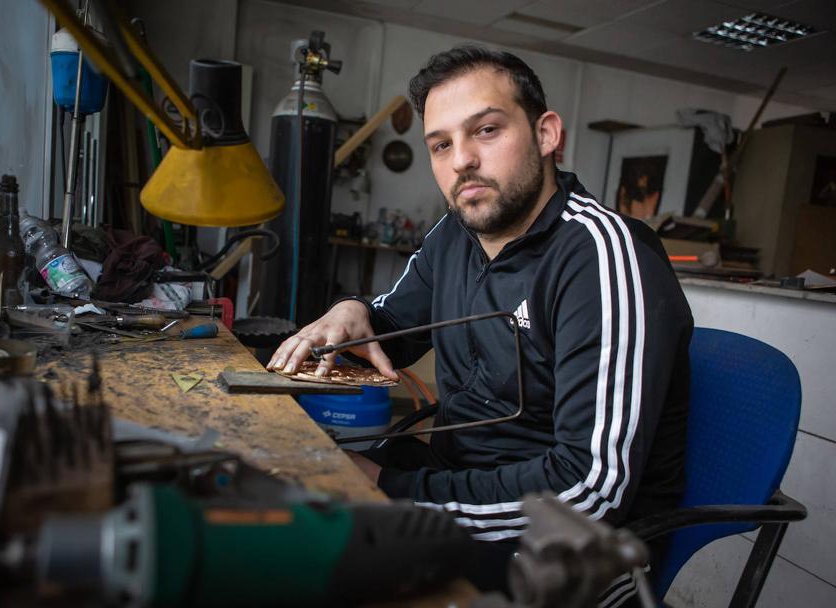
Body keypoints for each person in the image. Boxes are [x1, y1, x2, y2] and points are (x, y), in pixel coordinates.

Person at [268, 46, 692, 604]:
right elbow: (393, 320)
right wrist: (355, 310)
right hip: (457, 481)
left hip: (566, 548)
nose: (461, 159)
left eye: (486, 130)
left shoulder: (600, 256)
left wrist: (391, 490)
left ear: (546, 134)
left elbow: (591, 488)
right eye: (441, 144)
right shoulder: (455, 235)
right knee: (272, 513)